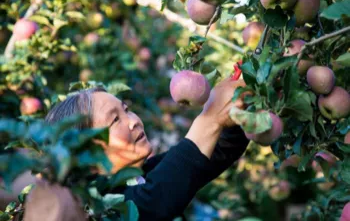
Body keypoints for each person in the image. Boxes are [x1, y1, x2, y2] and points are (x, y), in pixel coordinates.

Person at [23, 77, 249, 221]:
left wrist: (238, 110)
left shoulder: (143, 176)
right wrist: (210, 119)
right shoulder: (94, 211)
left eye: (127, 109)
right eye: (114, 121)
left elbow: (212, 155)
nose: (133, 121)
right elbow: (155, 202)